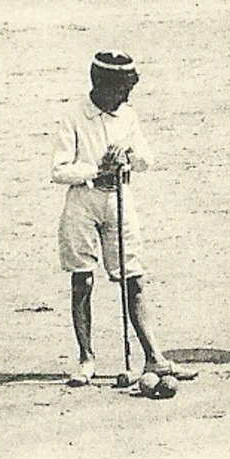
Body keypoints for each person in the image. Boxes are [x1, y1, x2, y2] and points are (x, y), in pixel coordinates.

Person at [50, 52, 183, 386]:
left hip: (119, 201)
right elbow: (59, 170)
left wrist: (129, 156)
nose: (125, 98)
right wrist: (97, 169)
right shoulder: (74, 115)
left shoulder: (128, 115)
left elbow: (147, 160)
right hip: (83, 202)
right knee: (82, 279)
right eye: (120, 91)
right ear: (101, 86)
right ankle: (86, 359)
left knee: (133, 278)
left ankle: (153, 356)